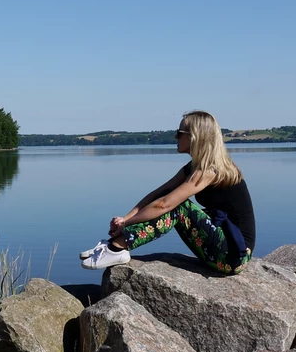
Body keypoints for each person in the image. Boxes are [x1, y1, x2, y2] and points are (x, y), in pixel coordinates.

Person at [80, 110, 256, 274]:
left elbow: (165, 204)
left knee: (178, 207)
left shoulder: (210, 170)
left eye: (179, 133)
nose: (175, 137)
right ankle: (114, 245)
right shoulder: (194, 168)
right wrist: (124, 219)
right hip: (220, 245)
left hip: (233, 256)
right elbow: (158, 194)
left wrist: (125, 227)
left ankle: (117, 248)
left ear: (195, 137)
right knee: (167, 201)